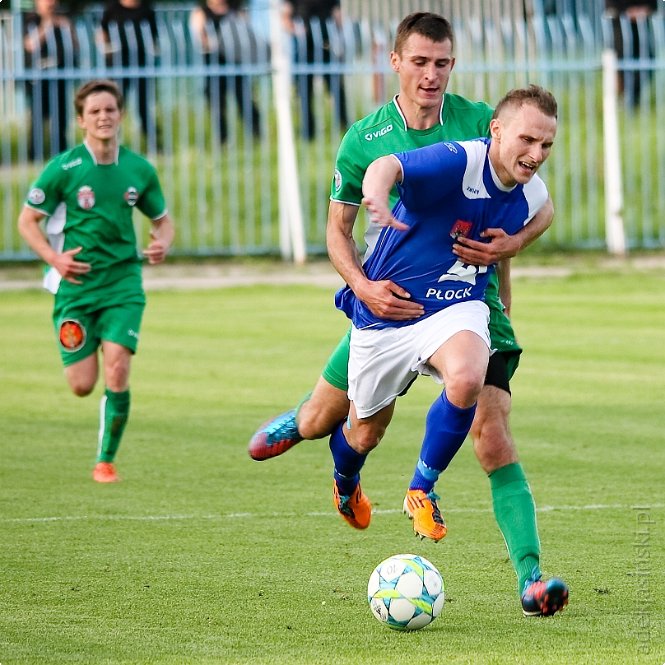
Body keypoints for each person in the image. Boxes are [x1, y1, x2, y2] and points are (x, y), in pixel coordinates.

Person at [249, 13, 567, 617]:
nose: (431, 74)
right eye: (420, 62)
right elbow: (338, 231)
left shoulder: (485, 122)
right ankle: (311, 432)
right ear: (395, 62)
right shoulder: (365, 138)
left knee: (492, 434)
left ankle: (531, 579)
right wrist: (363, 288)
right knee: (339, 424)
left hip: (469, 302)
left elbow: (531, 204)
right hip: (391, 299)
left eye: (442, 63)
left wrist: (511, 249)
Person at [17, 79, 175, 483]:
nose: (103, 117)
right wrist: (54, 258)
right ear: (80, 120)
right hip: (77, 287)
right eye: (95, 111)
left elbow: (163, 221)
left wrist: (162, 243)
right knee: (82, 385)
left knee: (118, 367)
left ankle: (105, 461)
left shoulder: (138, 169)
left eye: (110, 109)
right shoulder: (64, 168)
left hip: (123, 284)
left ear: (120, 115)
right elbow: (27, 221)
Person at [190, 0, 262, 142]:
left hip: (235, 62)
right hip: (213, 64)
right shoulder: (201, 12)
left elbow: (245, 34)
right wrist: (218, 43)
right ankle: (222, 139)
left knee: (245, 99)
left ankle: (257, 134)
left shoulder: (236, 10)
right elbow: (200, 39)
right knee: (217, 104)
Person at [282, 0, 348, 139]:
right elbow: (285, 15)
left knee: (336, 87)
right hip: (303, 48)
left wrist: (340, 39)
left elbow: (337, 14)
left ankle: (344, 123)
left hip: (325, 44)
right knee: (304, 91)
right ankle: (308, 130)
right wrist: (295, 31)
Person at [100, 0, 159, 149]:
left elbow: (153, 36)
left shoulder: (146, 9)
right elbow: (102, 33)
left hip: (141, 63)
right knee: (116, 104)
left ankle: (153, 142)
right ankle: (111, 142)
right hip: (117, 64)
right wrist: (107, 49)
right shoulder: (112, 9)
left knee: (144, 104)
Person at [23, 0, 77, 160]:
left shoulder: (64, 20)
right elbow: (30, 44)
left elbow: (75, 46)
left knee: (61, 117)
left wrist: (67, 27)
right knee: (38, 118)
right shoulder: (30, 20)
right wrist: (48, 24)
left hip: (60, 75)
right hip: (38, 78)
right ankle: (35, 154)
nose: (50, 3)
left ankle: (61, 153)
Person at [605, 0, 658, 106]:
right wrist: (625, 11)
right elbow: (610, 5)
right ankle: (625, 97)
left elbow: (654, 5)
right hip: (620, 24)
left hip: (642, 26)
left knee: (647, 61)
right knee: (621, 63)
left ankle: (632, 97)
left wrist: (644, 9)